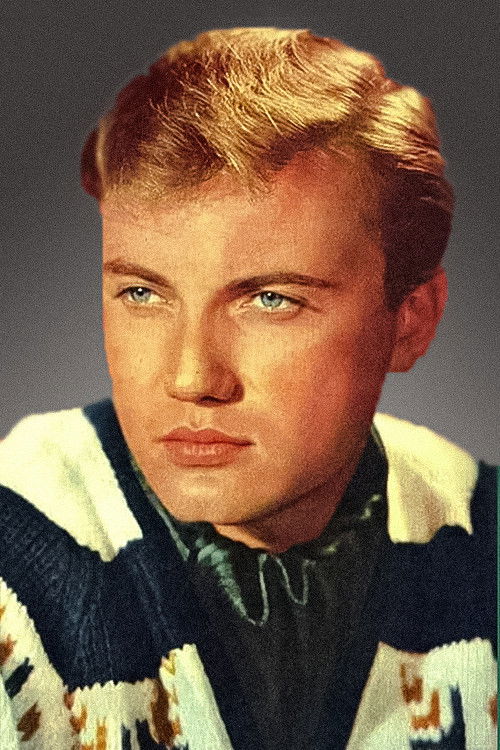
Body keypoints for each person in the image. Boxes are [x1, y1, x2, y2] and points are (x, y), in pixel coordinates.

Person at [0, 26, 496, 750]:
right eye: (142, 293)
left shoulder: (481, 539)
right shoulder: (17, 558)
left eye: (270, 300)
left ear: (410, 323)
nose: (193, 379)